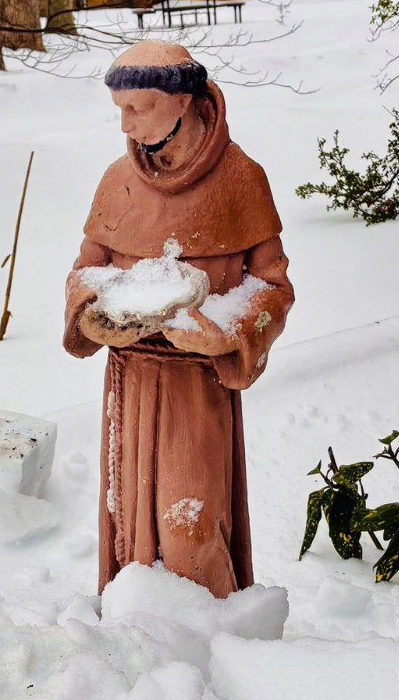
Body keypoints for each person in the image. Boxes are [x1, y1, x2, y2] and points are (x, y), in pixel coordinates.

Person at [63, 41, 293, 598]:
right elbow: (86, 270)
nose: (125, 124)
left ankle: (213, 634)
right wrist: (90, 315)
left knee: (190, 528)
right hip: (129, 381)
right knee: (129, 529)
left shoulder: (240, 177)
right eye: (119, 109)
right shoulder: (118, 179)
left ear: (183, 100)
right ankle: (138, 635)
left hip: (197, 386)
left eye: (137, 108)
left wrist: (224, 333)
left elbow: (273, 287)